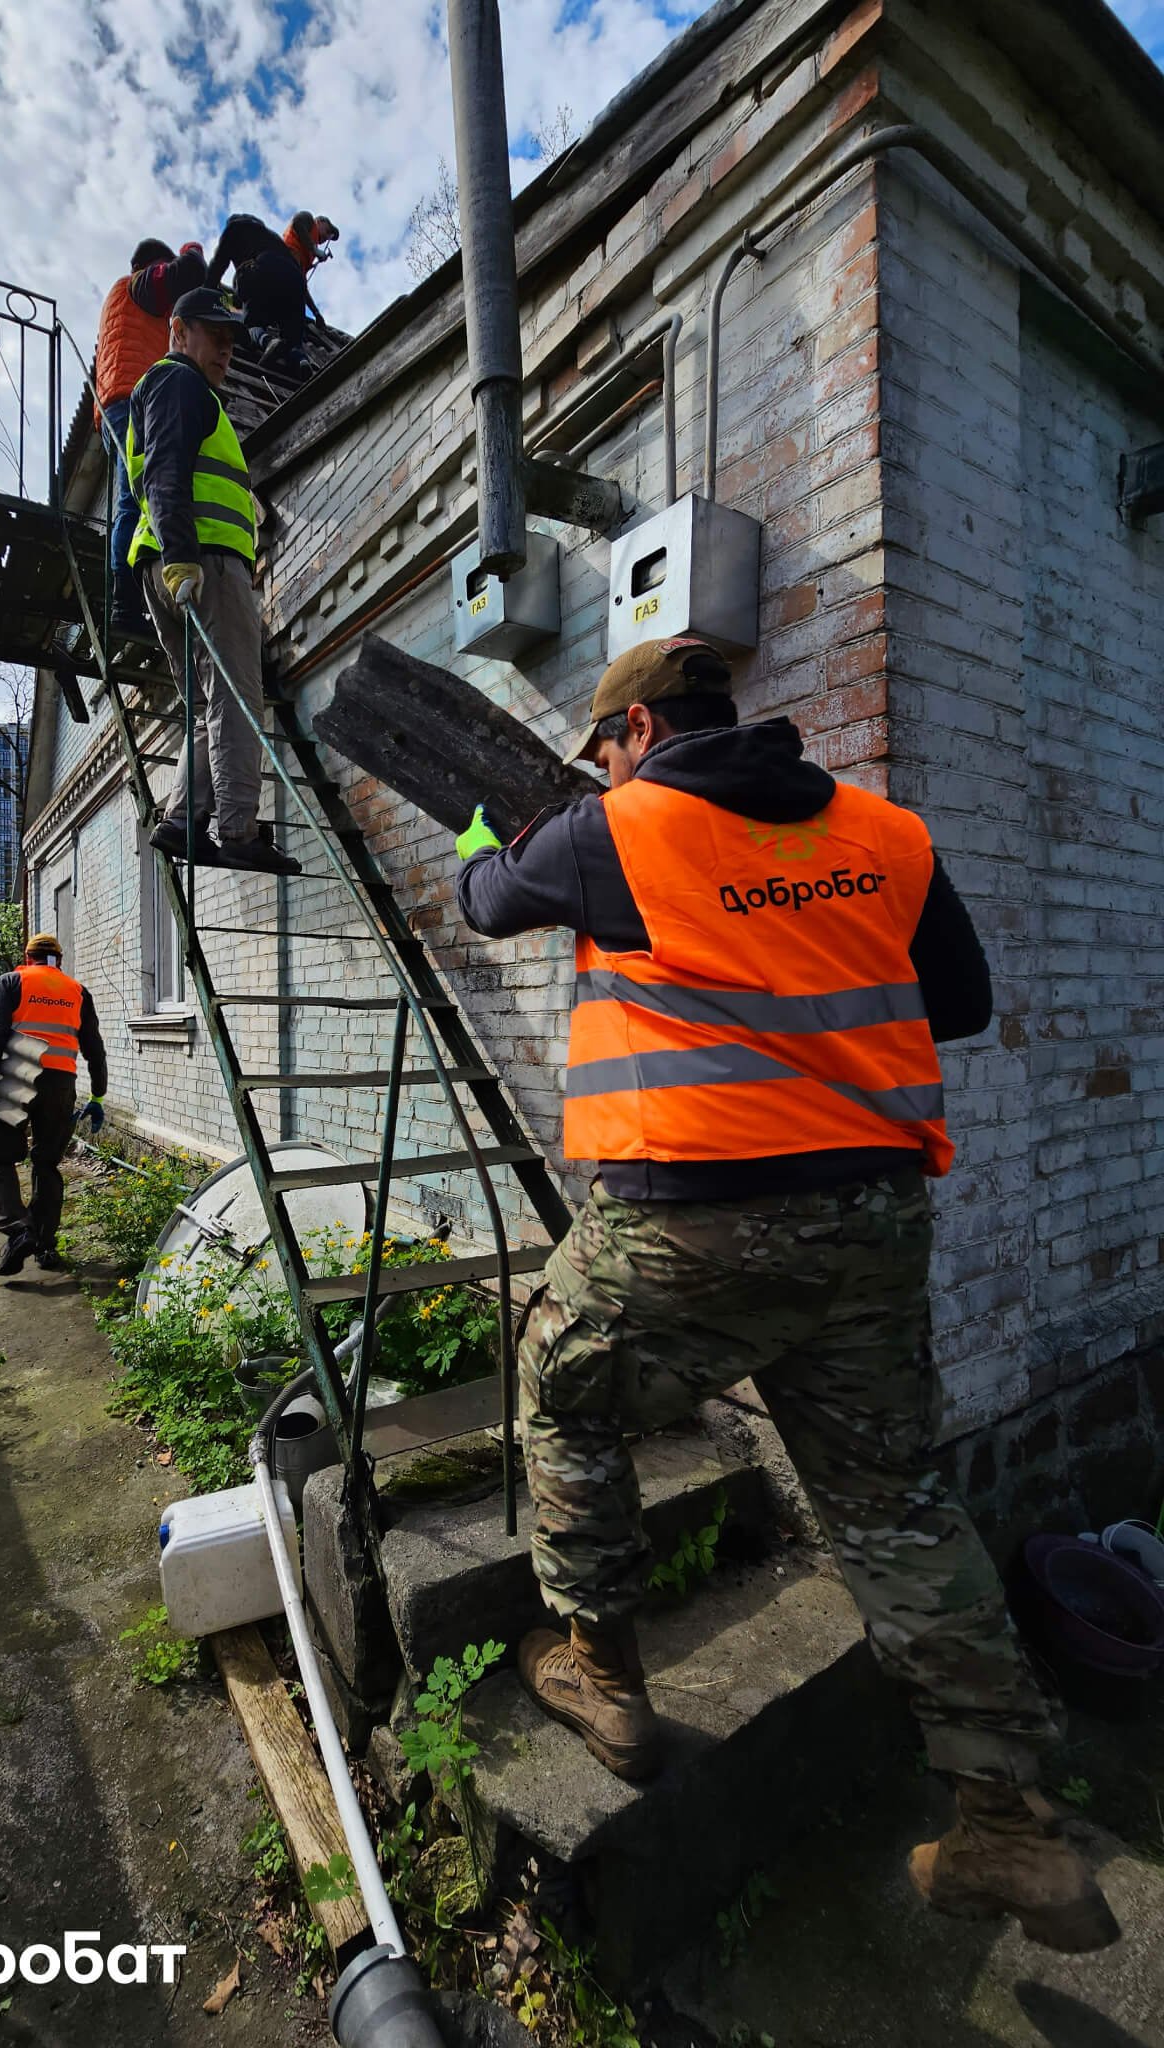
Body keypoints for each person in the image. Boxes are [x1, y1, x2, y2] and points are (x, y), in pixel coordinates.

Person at [453, 635, 1120, 1955]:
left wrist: (498, 826)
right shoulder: (887, 833)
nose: (603, 768)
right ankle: (1008, 1822)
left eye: (604, 749)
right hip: (872, 1229)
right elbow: (963, 1002)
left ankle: (604, 1676)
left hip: (691, 1223)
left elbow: (483, 901)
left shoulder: (614, 829)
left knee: (560, 1382)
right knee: (893, 1502)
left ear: (636, 730)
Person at [126, 283, 300, 877]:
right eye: (214, 336)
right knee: (235, 697)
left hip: (173, 564)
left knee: (204, 707)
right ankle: (238, 830)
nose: (226, 350)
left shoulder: (175, 391)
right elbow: (166, 472)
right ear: (178, 331)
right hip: (203, 563)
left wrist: (173, 558)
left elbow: (162, 473)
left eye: (231, 340)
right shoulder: (179, 383)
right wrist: (184, 557)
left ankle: (179, 821)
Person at [0, 932, 108, 1276]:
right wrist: (97, 1096)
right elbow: (94, 1047)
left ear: (28, 956)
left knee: (0, 1159)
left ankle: (19, 1230)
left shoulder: (12, 981)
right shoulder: (77, 991)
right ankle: (45, 1247)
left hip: (14, 1079)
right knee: (47, 1164)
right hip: (60, 1085)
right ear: (59, 960)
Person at [92, 238, 207, 626]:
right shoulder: (138, 284)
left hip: (114, 406)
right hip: (131, 402)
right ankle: (125, 603)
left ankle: (129, 597)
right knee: (136, 499)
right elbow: (186, 274)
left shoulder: (120, 302)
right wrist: (191, 252)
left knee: (134, 498)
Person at [206, 212, 322, 370]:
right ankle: (300, 359)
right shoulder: (272, 237)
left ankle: (267, 341)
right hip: (295, 281)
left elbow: (217, 267)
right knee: (293, 335)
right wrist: (315, 312)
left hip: (262, 271)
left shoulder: (234, 229)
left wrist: (206, 294)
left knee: (251, 323)